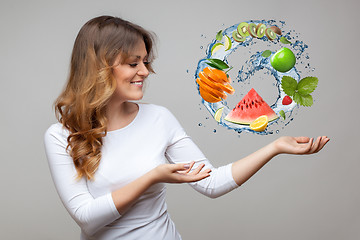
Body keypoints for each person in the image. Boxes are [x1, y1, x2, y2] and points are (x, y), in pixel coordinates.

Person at [44, 15, 329, 240]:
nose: (144, 71)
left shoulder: (159, 119)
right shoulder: (60, 136)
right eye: (133, 63)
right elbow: (87, 218)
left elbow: (211, 183)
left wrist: (275, 147)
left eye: (145, 61)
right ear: (99, 68)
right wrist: (153, 176)